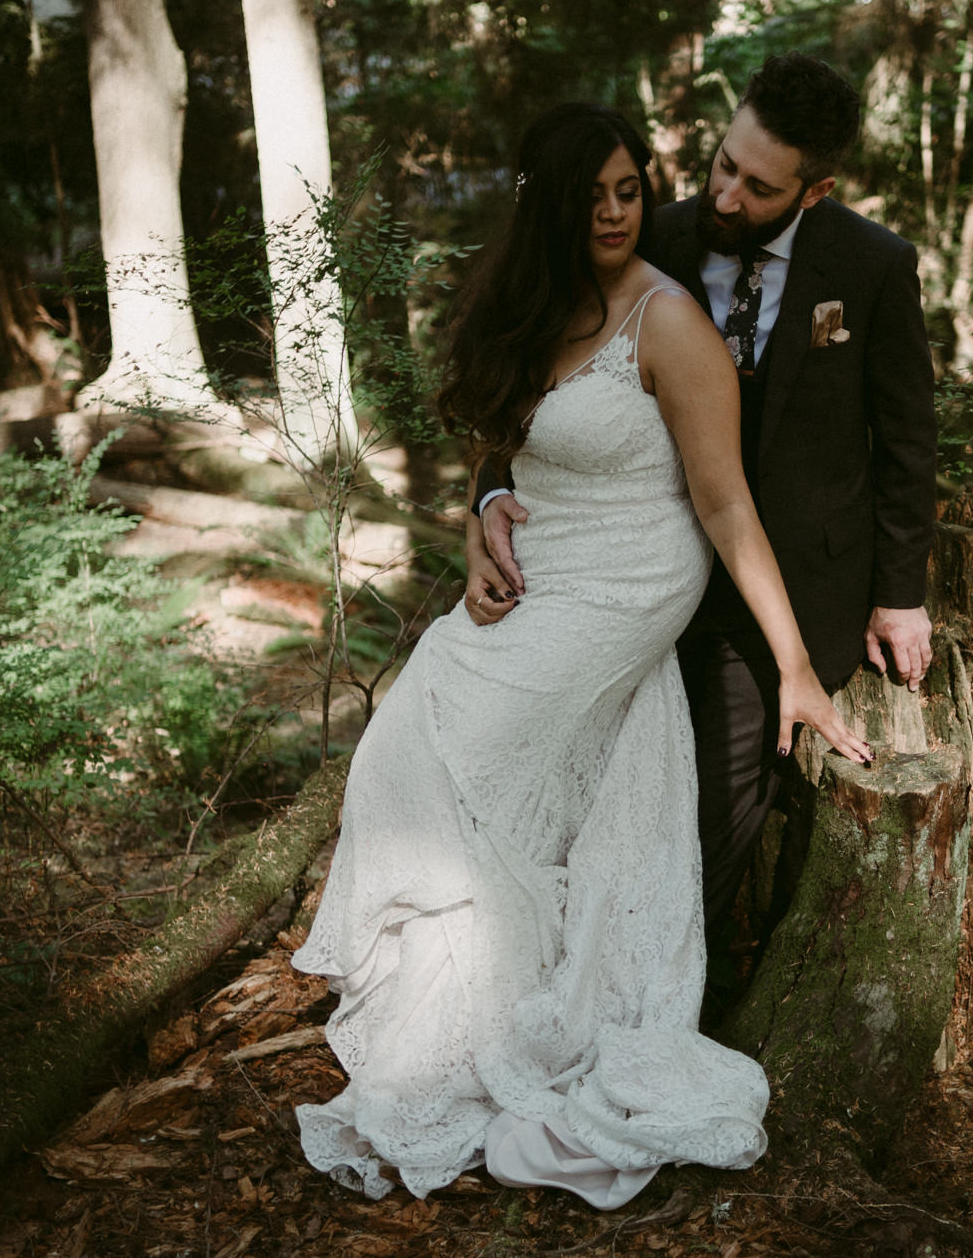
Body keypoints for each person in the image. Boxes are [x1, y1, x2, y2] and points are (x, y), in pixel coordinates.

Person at [290, 102, 871, 1210]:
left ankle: (503, 1002)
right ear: (547, 203)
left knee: (449, 751)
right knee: (412, 752)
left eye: (627, 188)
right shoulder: (533, 302)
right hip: (542, 559)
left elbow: (723, 503)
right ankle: (469, 993)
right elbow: (499, 436)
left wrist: (795, 663)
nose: (614, 211)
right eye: (592, 193)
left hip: (632, 582)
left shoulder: (667, 323)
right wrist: (488, 507)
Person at [469, 55, 936, 987]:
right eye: (725, 162)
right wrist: (486, 499)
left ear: (818, 189)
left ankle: (672, 1002)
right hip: (622, 581)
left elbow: (907, 434)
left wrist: (900, 594)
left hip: (781, 593)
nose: (726, 192)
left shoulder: (873, 265)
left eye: (759, 186)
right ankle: (518, 974)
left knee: (699, 823)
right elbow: (532, 383)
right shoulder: (651, 231)